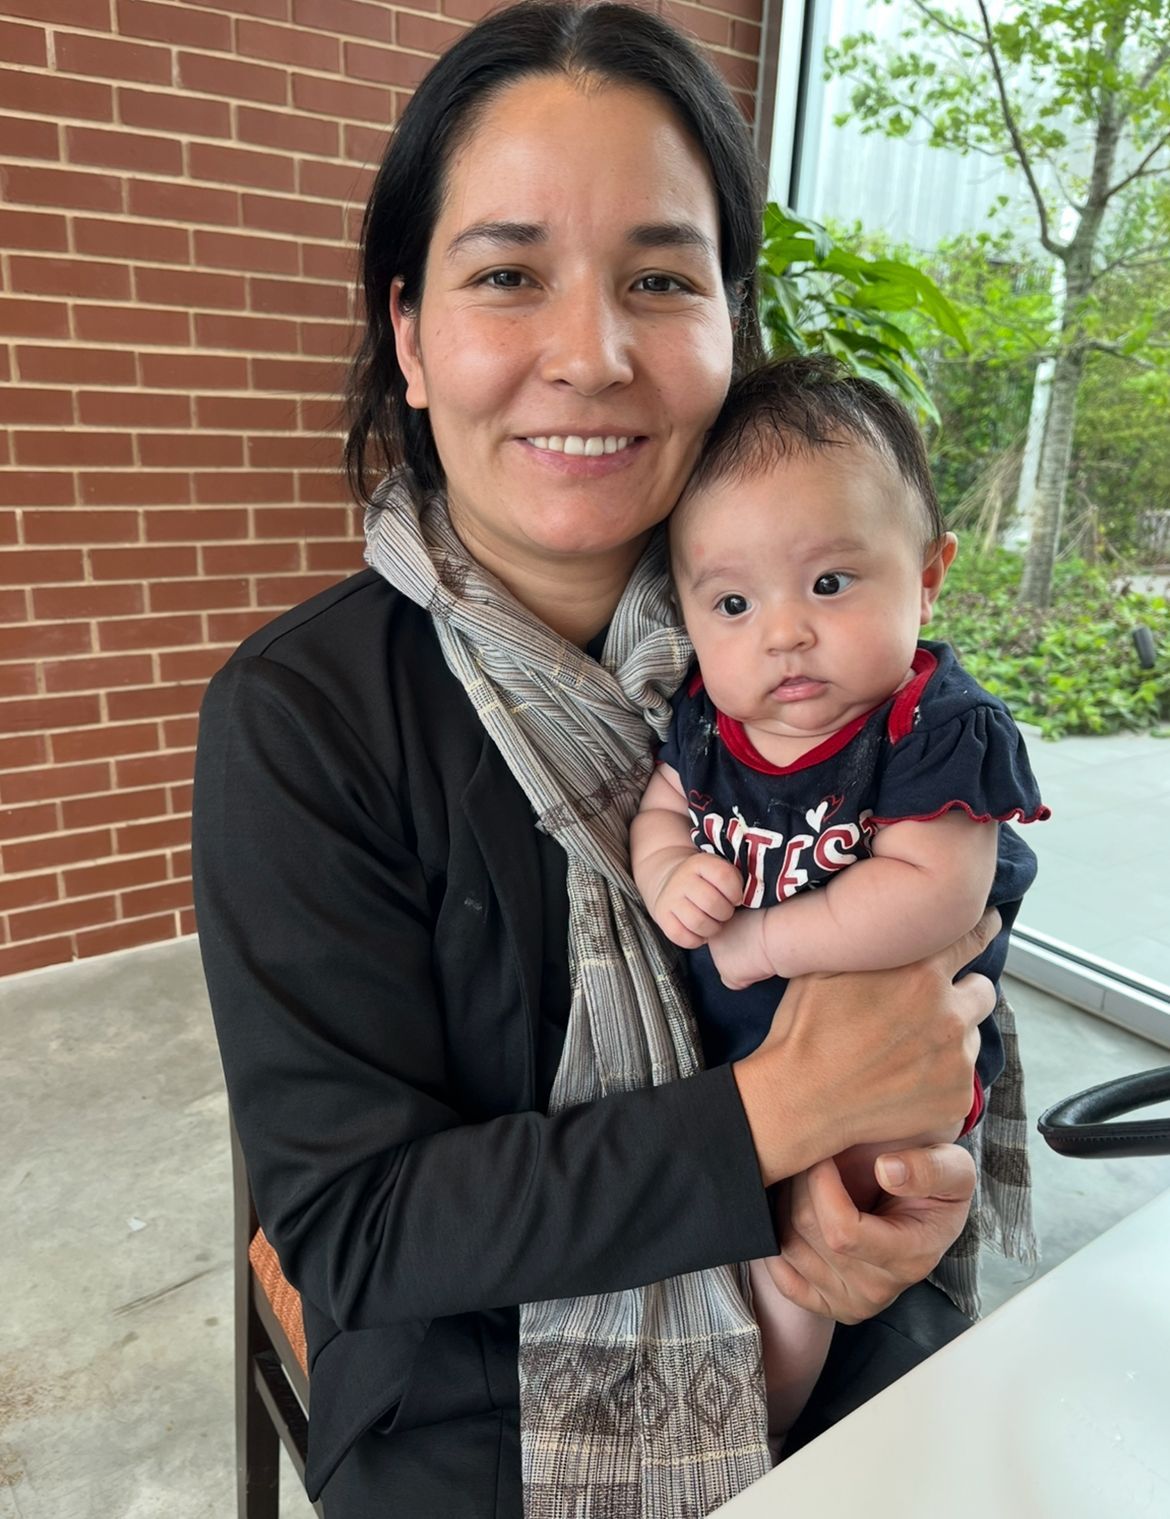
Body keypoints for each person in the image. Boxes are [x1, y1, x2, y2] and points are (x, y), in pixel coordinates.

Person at [192, 5, 1028, 1516]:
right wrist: (776, 1116)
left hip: (847, 1314)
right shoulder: (300, 718)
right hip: (476, 1390)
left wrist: (881, 1177)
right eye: (508, 275)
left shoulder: (813, 635)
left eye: (659, 277)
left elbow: (957, 925)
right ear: (409, 335)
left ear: (730, 323)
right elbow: (362, 1228)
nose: (591, 352)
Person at [631, 356, 1049, 1446]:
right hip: (738, 1065)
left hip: (888, 1074)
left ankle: (757, 1432)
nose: (783, 632)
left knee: (813, 1249)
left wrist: (766, 935)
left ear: (931, 575)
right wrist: (670, 871)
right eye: (733, 601)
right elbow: (660, 811)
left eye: (829, 583)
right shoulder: (708, 725)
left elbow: (935, 895)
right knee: (712, 1222)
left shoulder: (929, 726)